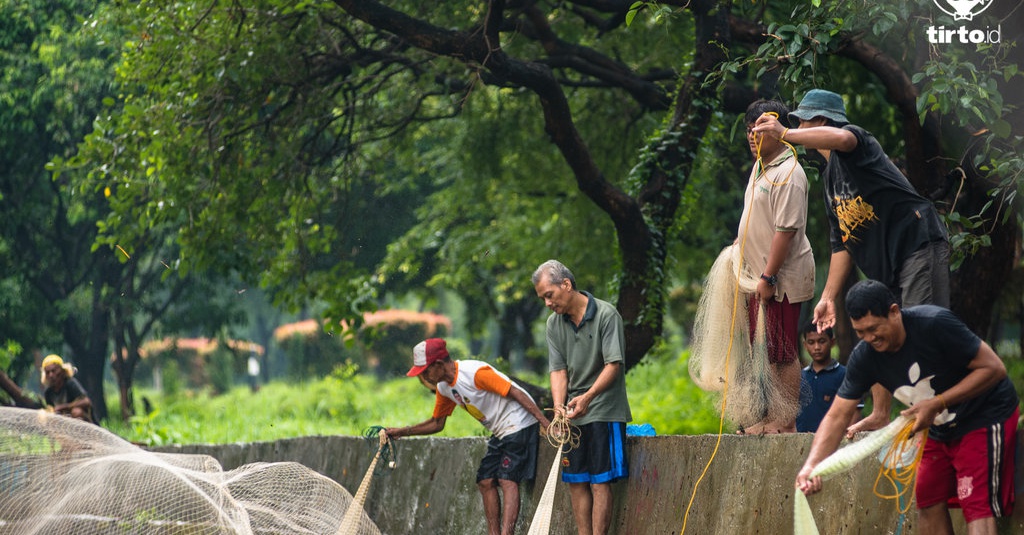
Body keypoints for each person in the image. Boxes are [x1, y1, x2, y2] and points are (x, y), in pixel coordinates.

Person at [753, 89, 950, 433]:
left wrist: (785, 134)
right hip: (885, 268)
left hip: (917, 247)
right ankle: (879, 413)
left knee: (920, 330)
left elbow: (841, 137)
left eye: (803, 121)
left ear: (822, 121)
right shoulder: (830, 180)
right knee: (876, 331)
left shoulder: (857, 144)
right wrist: (828, 298)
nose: (797, 126)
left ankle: (940, 417)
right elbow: (842, 245)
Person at [795, 280, 1019, 535]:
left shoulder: (934, 324)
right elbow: (837, 416)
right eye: (860, 332)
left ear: (893, 312)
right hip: (937, 426)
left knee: (975, 501)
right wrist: (812, 465)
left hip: (983, 415)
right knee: (928, 497)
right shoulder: (865, 356)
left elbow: (994, 368)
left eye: (873, 328)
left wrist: (937, 403)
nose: (869, 338)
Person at [384, 338, 550, 535]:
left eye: (426, 371)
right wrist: (401, 432)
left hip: (520, 422)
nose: (425, 377)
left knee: (507, 478)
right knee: (485, 480)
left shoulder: (474, 374)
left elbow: (515, 391)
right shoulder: (444, 388)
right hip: (500, 430)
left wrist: (545, 422)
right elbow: (437, 423)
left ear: (438, 365)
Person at [531, 259, 631, 535]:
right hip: (574, 413)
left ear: (566, 284)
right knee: (576, 480)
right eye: (543, 299)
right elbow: (558, 370)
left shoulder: (606, 315)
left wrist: (587, 397)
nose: (548, 304)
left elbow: (614, 365)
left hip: (603, 408)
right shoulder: (554, 324)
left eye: (549, 295)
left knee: (600, 481)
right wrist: (559, 409)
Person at [735, 99, 816, 434]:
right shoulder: (760, 167)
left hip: (780, 278)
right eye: (749, 129)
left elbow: (786, 231)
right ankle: (770, 417)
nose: (753, 135)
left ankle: (785, 422)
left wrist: (768, 275)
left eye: (761, 128)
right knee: (767, 349)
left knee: (783, 350)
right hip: (757, 276)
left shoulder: (789, 173)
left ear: (780, 130)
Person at [794, 323, 861, 433]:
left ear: (832, 342)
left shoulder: (845, 374)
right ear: (805, 345)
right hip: (801, 442)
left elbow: (855, 410)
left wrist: (846, 437)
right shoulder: (800, 377)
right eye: (811, 342)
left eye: (821, 341)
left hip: (833, 441)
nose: (817, 347)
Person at [41, 354, 93, 423]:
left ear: (62, 371)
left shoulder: (70, 383)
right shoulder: (48, 392)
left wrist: (66, 407)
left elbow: (86, 401)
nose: (51, 375)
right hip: (62, 422)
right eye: (48, 372)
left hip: (81, 420)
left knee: (76, 412)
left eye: (54, 371)